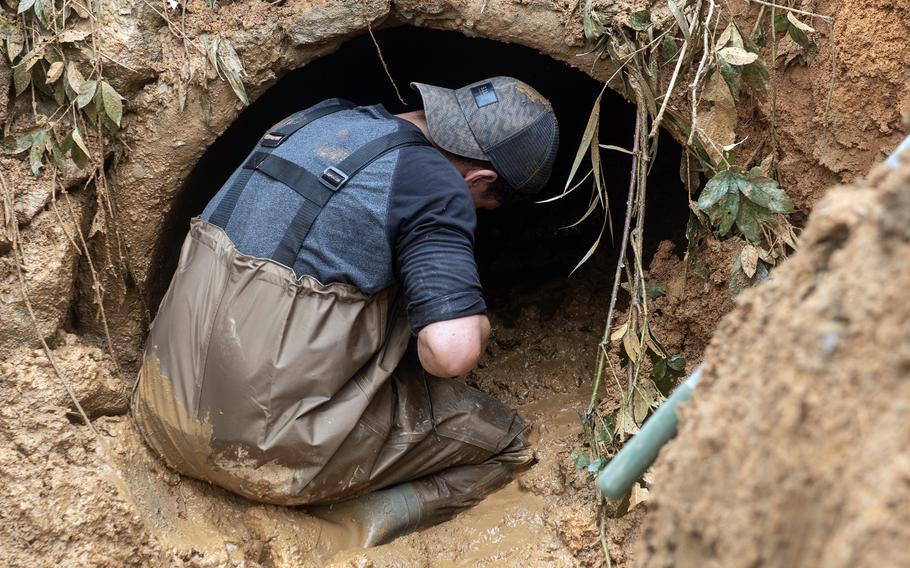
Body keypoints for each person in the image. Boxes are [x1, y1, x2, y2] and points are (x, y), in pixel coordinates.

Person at [132, 76, 559, 546]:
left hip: (158, 402)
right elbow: (449, 354)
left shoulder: (316, 119)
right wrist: (476, 321)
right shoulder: (434, 183)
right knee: (504, 441)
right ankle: (363, 520)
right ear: (480, 181)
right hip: (257, 449)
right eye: (481, 205)